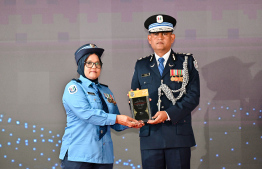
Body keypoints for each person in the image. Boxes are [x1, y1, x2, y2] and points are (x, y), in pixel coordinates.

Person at [131, 14, 200, 169]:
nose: (160, 37)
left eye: (165, 33)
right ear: (149, 39)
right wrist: (136, 104)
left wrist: (168, 114)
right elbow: (135, 93)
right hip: (150, 136)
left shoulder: (186, 62)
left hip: (178, 136)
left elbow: (193, 97)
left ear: (172, 37)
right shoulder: (141, 65)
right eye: (155, 34)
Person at [59, 43, 142, 169]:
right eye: (89, 63)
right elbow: (87, 114)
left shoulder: (105, 91)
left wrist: (135, 121)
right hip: (79, 156)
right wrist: (118, 119)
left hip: (104, 156)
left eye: (97, 63)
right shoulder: (74, 88)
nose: (94, 67)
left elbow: (115, 120)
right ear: (81, 64)